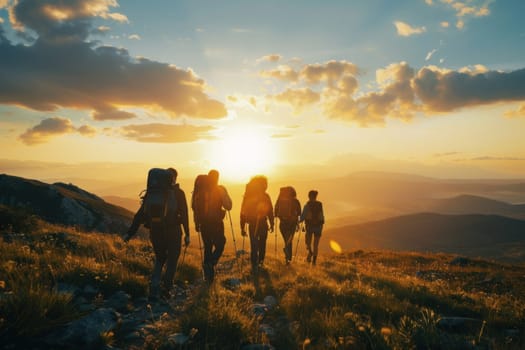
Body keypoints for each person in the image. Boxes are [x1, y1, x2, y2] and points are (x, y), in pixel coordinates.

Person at [123, 168, 190, 300]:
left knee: (160, 259)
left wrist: (129, 234)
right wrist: (187, 234)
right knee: (172, 260)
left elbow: (140, 215)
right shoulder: (178, 193)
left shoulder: (152, 193)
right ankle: (166, 290)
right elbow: (184, 215)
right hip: (173, 231)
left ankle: (154, 288)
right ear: (174, 178)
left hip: (155, 230)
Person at [192, 169, 232, 283]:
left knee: (208, 246)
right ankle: (211, 263)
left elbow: (194, 207)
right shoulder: (220, 189)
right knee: (221, 243)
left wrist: (196, 223)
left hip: (203, 223)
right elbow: (228, 206)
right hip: (216, 223)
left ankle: (208, 277)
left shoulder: (200, 190)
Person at [240, 175, 274, 274]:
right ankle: (260, 264)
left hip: (252, 224)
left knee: (254, 245)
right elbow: (270, 211)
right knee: (262, 244)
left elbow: (243, 212)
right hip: (263, 223)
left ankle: (254, 266)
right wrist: (272, 223)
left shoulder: (248, 196)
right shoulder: (265, 196)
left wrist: (242, 227)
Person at [274, 186, 301, 264]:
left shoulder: (279, 201)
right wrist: (297, 224)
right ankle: (288, 259)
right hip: (292, 224)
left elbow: (275, 213)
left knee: (287, 240)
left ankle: (287, 259)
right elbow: (299, 213)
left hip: (282, 224)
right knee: (289, 241)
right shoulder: (296, 201)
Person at [300, 190, 324, 265]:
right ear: (315, 196)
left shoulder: (307, 205)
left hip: (309, 226)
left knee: (308, 243)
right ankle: (314, 261)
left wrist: (298, 221)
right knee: (316, 245)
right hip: (319, 226)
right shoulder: (320, 204)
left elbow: (302, 217)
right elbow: (321, 216)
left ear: (309, 196)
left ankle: (310, 252)